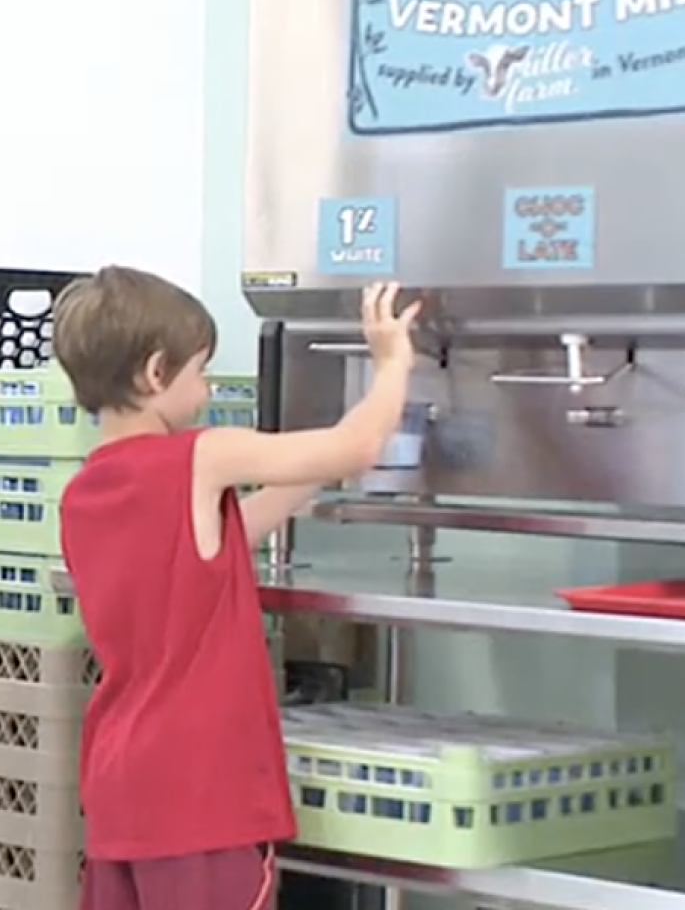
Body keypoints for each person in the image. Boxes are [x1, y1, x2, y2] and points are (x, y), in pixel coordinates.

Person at [52, 266, 418, 910]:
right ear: (155, 373)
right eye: (200, 372)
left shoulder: (85, 491)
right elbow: (357, 448)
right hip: (202, 792)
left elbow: (222, 538)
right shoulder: (200, 456)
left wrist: (312, 471)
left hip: (121, 787)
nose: (208, 387)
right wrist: (391, 365)